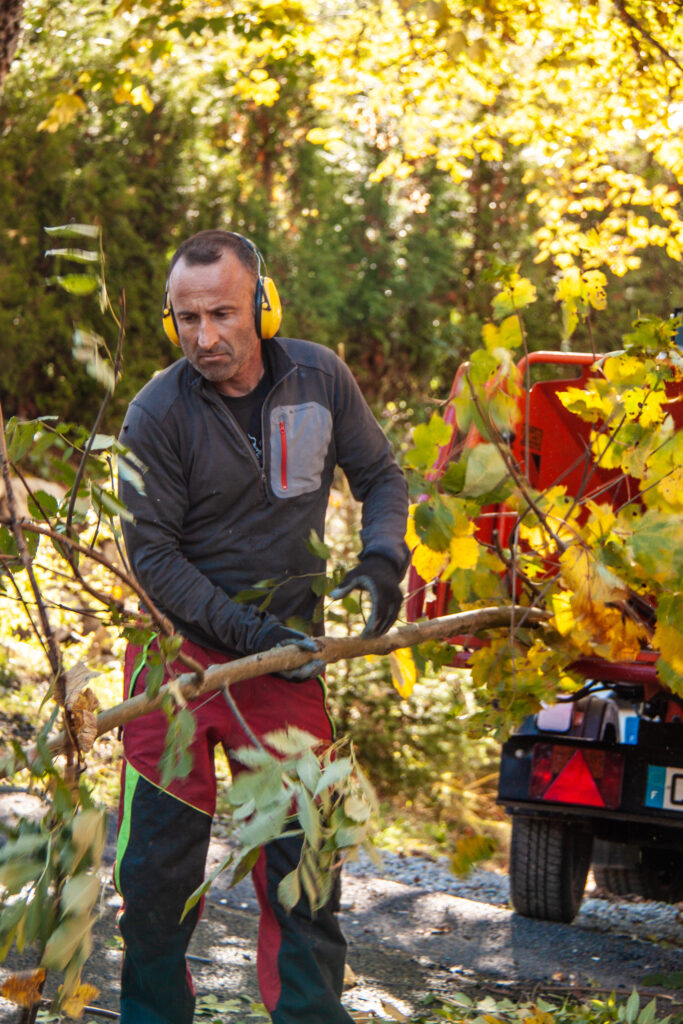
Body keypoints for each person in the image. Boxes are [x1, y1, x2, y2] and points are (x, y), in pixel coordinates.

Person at [114, 229, 409, 1024]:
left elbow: (380, 473)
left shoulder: (319, 377)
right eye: (186, 319)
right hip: (176, 664)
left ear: (263, 306)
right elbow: (155, 559)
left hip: (284, 668)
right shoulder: (157, 413)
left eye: (222, 314)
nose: (205, 337)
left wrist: (384, 556)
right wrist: (249, 637)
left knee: (303, 876)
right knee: (154, 881)